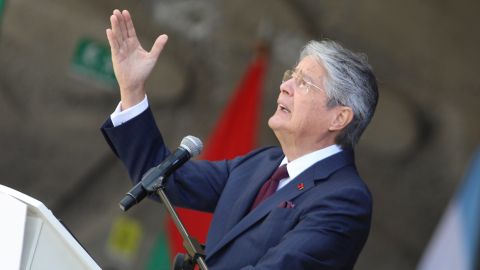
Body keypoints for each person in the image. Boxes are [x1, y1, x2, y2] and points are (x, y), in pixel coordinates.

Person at [101, 9, 378, 270]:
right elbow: (163, 179)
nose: (285, 86)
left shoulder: (345, 198)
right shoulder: (262, 162)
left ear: (338, 118)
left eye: (304, 82)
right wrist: (132, 89)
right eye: (290, 76)